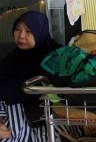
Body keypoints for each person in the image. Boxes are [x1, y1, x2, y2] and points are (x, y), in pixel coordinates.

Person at [0, 11, 61, 141]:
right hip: (16, 129)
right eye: (17, 29)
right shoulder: (9, 62)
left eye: (28, 31)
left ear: (40, 32)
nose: (21, 36)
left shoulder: (57, 58)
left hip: (53, 126)